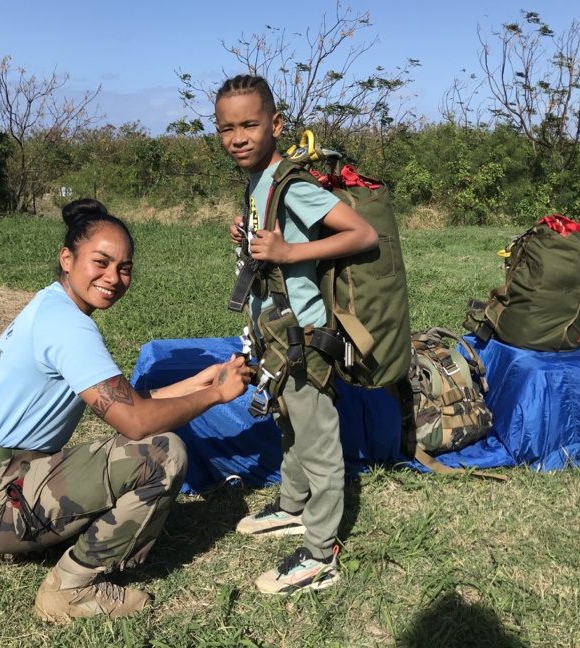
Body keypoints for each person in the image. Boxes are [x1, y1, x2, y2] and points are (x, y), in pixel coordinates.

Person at [0, 199, 251, 622]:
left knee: (125, 454)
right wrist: (215, 397)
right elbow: (135, 421)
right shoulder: (67, 327)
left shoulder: (52, 306)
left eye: (124, 268)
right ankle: (67, 589)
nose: (114, 278)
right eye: (101, 262)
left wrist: (200, 382)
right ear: (68, 259)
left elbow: (129, 403)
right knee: (162, 454)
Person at [214, 75, 379, 594]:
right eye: (226, 128)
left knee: (319, 443)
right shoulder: (259, 183)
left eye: (249, 124)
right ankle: (292, 506)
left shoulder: (294, 185)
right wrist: (250, 234)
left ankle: (320, 551)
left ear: (275, 125)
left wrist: (288, 254)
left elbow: (362, 233)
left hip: (303, 338)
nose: (237, 137)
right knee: (289, 425)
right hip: (274, 332)